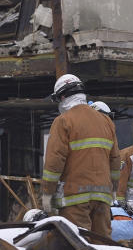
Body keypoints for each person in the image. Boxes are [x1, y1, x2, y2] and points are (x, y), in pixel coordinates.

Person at [41, 74, 121, 237]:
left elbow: (54, 162)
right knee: (102, 245)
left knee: (77, 246)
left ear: (62, 97)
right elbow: (115, 160)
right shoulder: (106, 121)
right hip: (103, 196)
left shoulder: (63, 121)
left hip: (74, 197)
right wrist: (113, 189)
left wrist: (48, 192)